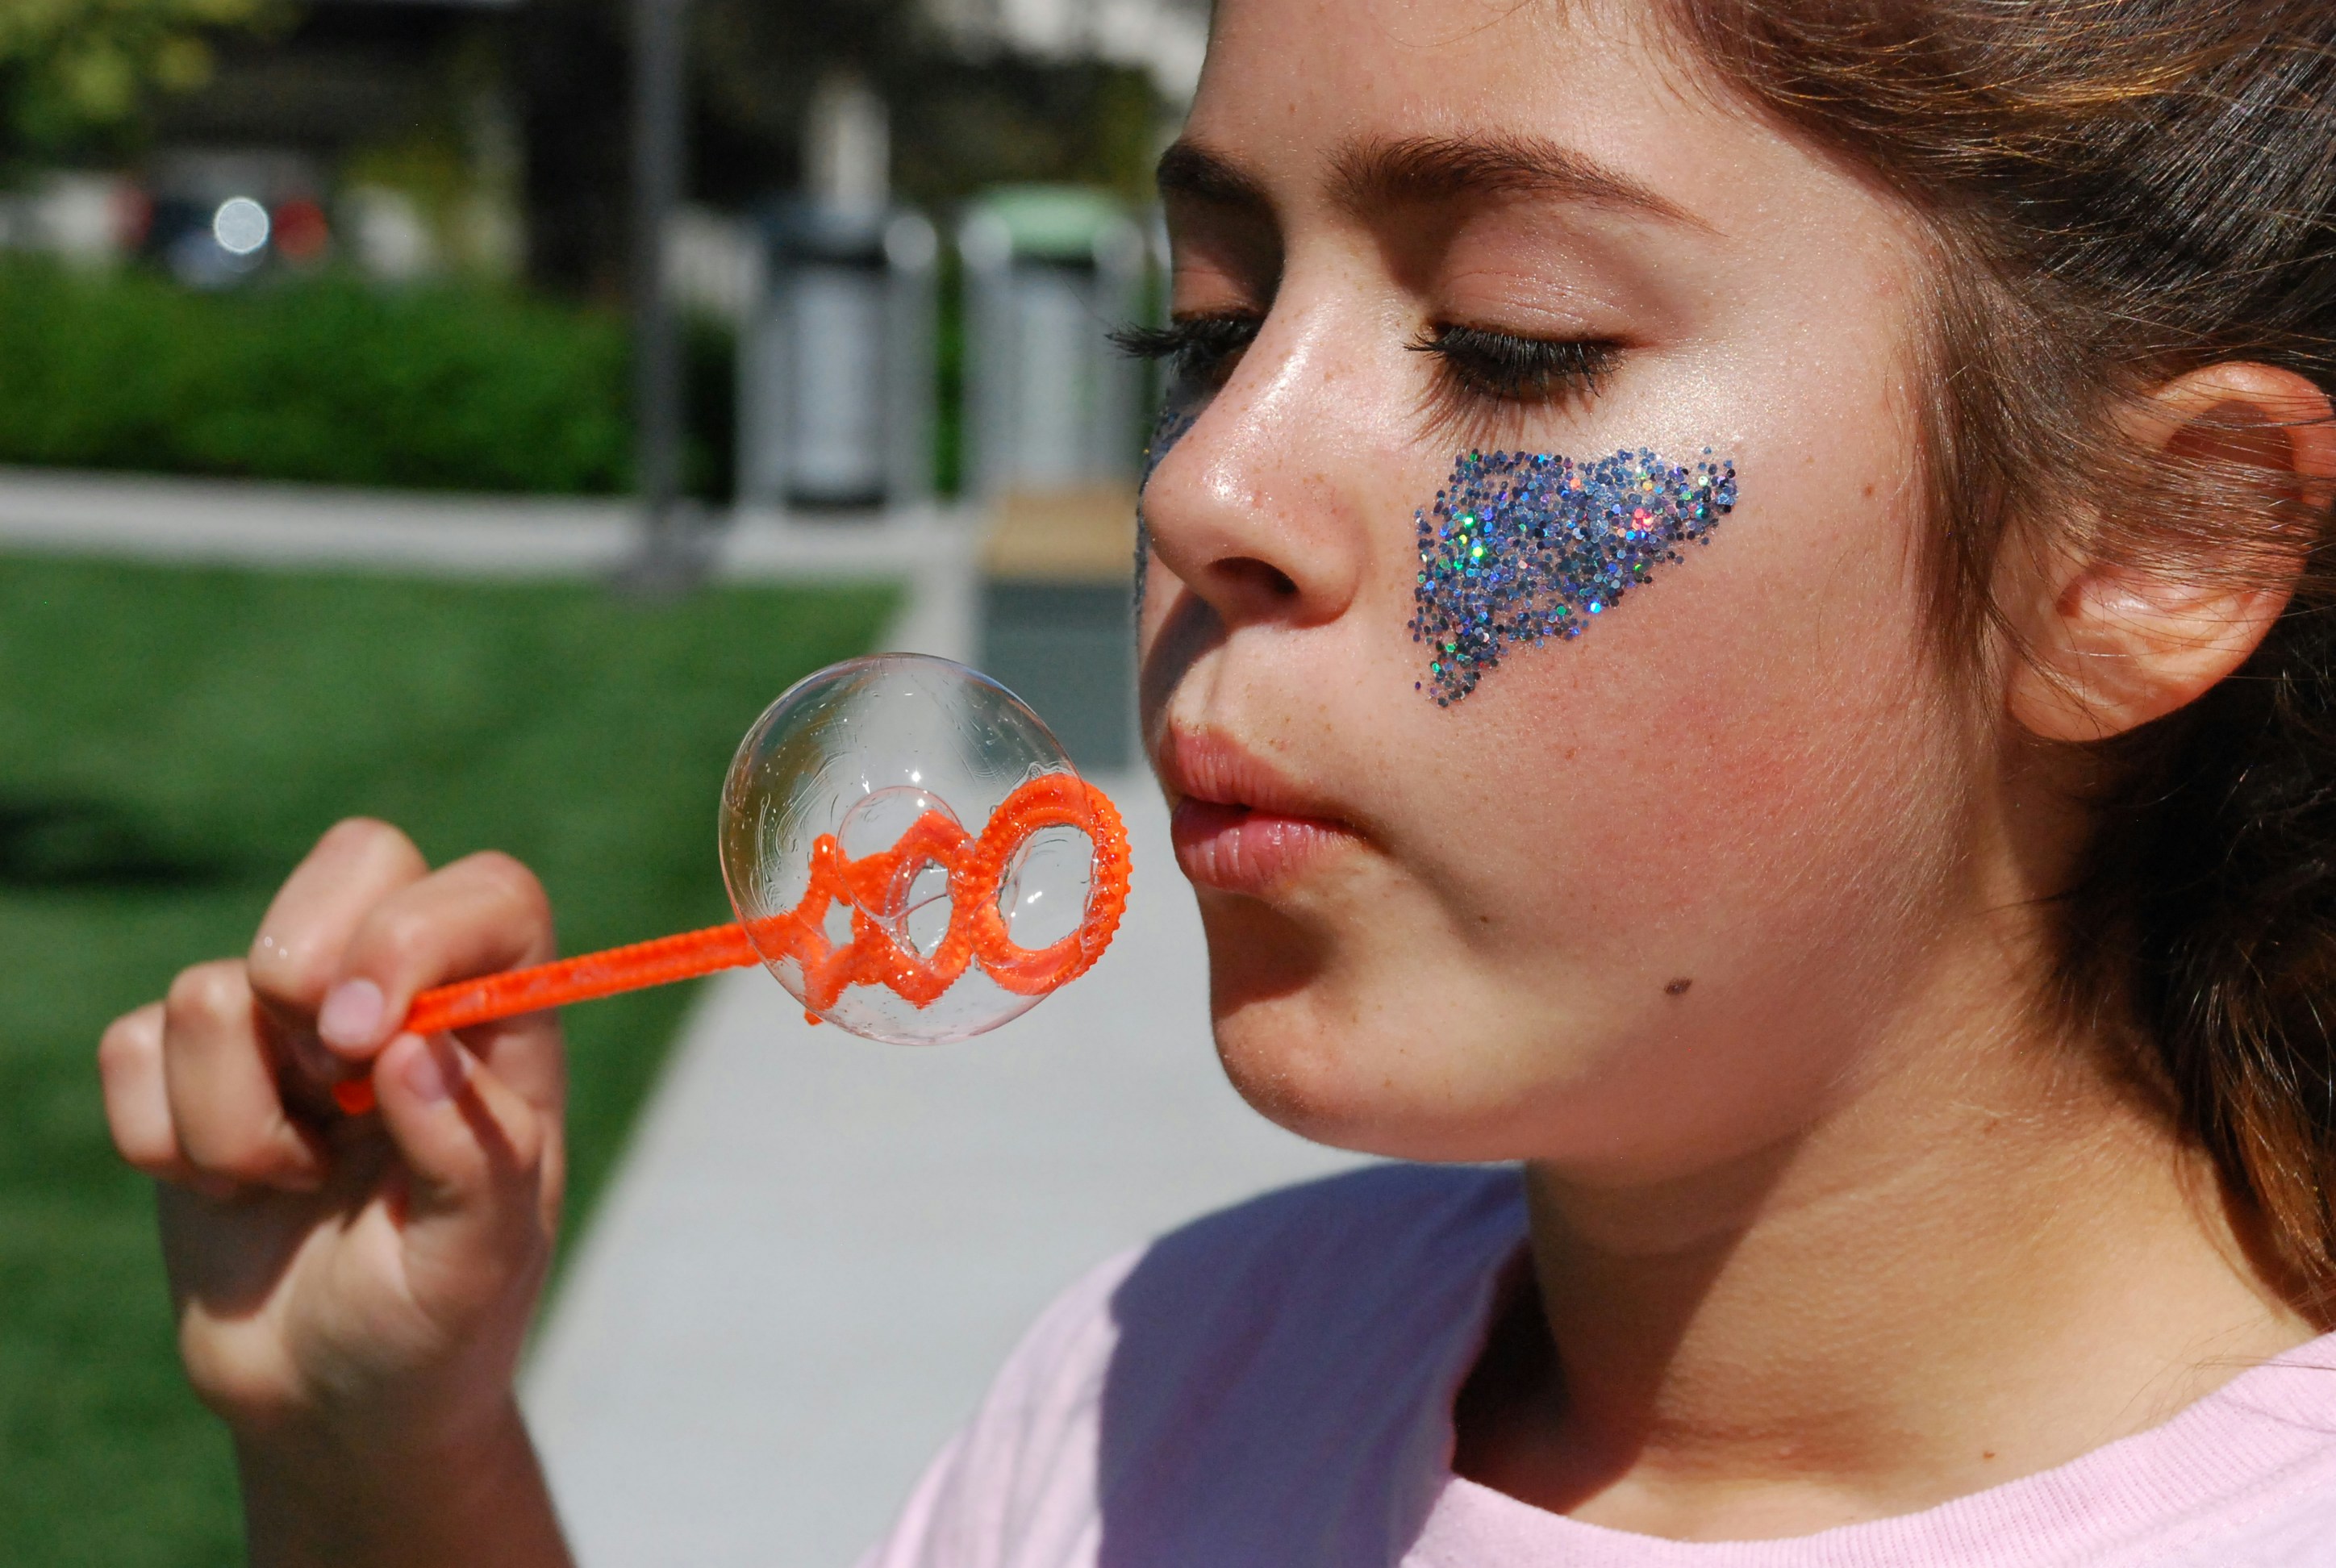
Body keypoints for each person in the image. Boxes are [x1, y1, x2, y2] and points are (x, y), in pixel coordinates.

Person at [98, 0, 2336, 1562]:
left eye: (1509, 341)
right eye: (1210, 327)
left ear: (2163, 544)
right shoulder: (1164, 1386)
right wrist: (387, 1457)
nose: (1207, 484)